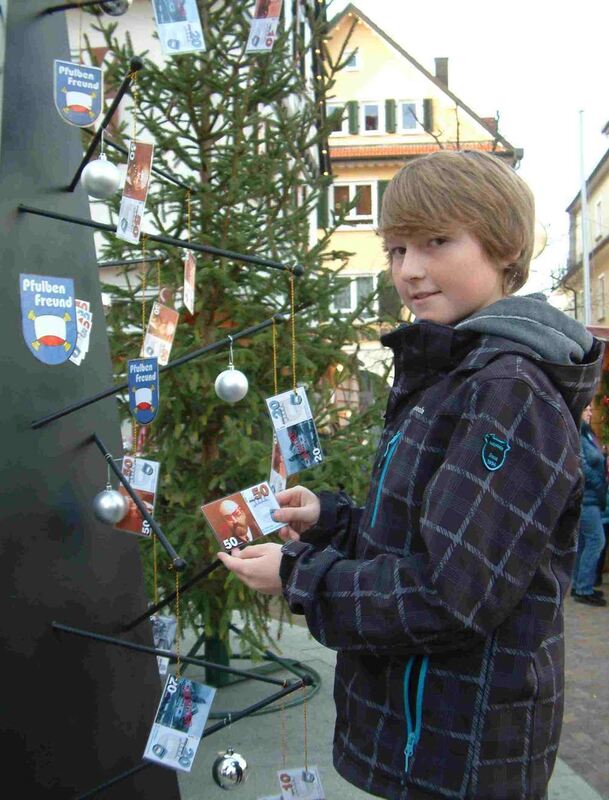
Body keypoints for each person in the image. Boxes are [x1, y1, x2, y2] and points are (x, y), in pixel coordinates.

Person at [217, 150, 604, 800]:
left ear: (500, 245)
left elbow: (449, 596)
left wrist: (296, 578)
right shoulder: (449, 371)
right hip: (419, 732)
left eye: (435, 242)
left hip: (460, 748)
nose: (408, 270)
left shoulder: (506, 391)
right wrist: (331, 520)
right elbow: (433, 536)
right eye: (396, 249)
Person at [572, 403, 607, 605]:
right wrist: (598, 480)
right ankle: (583, 588)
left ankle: (580, 585)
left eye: (592, 410)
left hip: (593, 496)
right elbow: (581, 463)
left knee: (586, 541)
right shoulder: (578, 432)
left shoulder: (587, 433)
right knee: (596, 540)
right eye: (587, 409)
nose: (590, 412)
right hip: (587, 497)